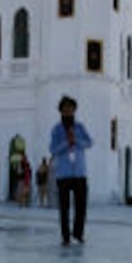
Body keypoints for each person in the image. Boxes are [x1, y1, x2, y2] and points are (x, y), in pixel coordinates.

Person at [50, 95, 93, 246]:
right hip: (63, 174)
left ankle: (78, 233)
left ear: (74, 110)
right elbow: (53, 149)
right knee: (64, 207)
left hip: (80, 173)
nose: (68, 112)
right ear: (61, 111)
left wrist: (76, 140)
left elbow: (89, 143)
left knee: (81, 206)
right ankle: (65, 236)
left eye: (71, 109)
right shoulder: (56, 129)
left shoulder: (80, 127)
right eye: (65, 109)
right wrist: (66, 143)